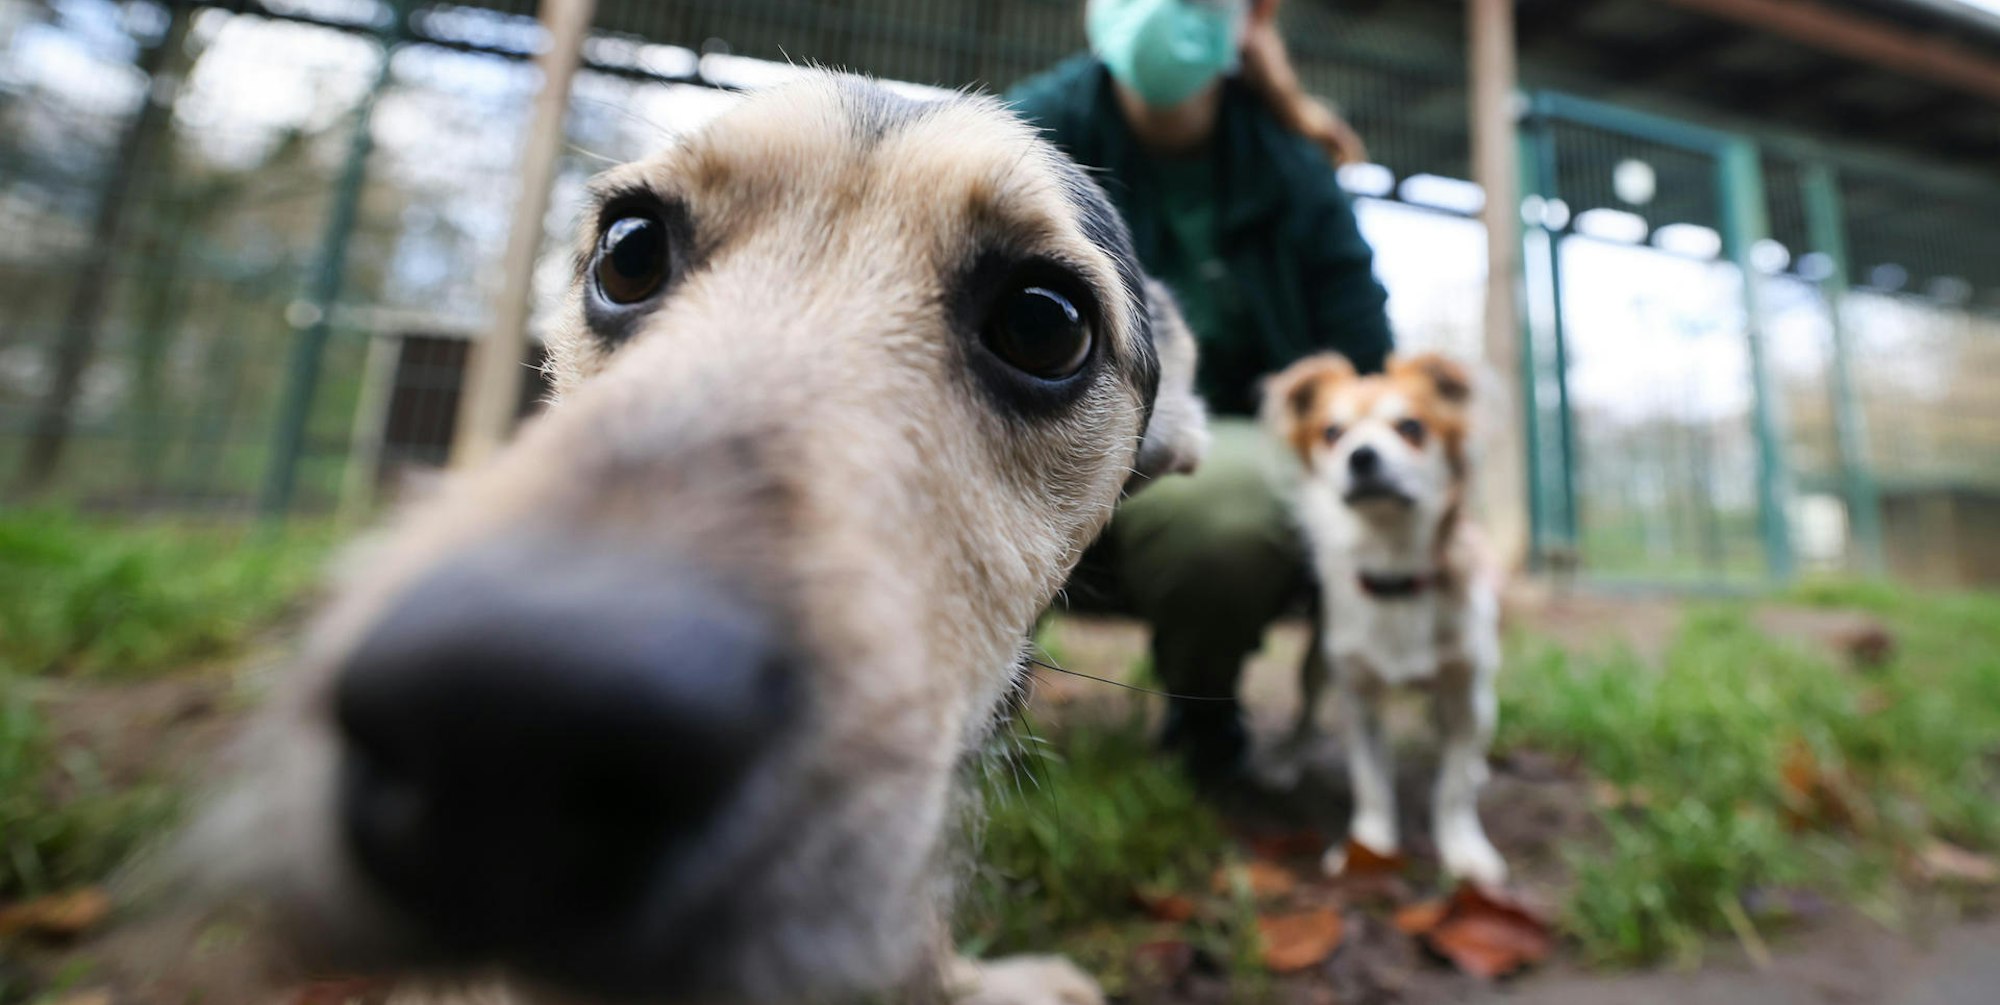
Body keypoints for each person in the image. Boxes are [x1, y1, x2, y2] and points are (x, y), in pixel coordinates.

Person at [1008, 0, 1395, 778]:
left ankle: (1204, 716)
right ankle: (972, 698)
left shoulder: (1294, 171)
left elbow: (1366, 361)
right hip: (1044, 417)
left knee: (1219, 515)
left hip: (1227, 436)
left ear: (1250, 16)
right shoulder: (1025, 133)